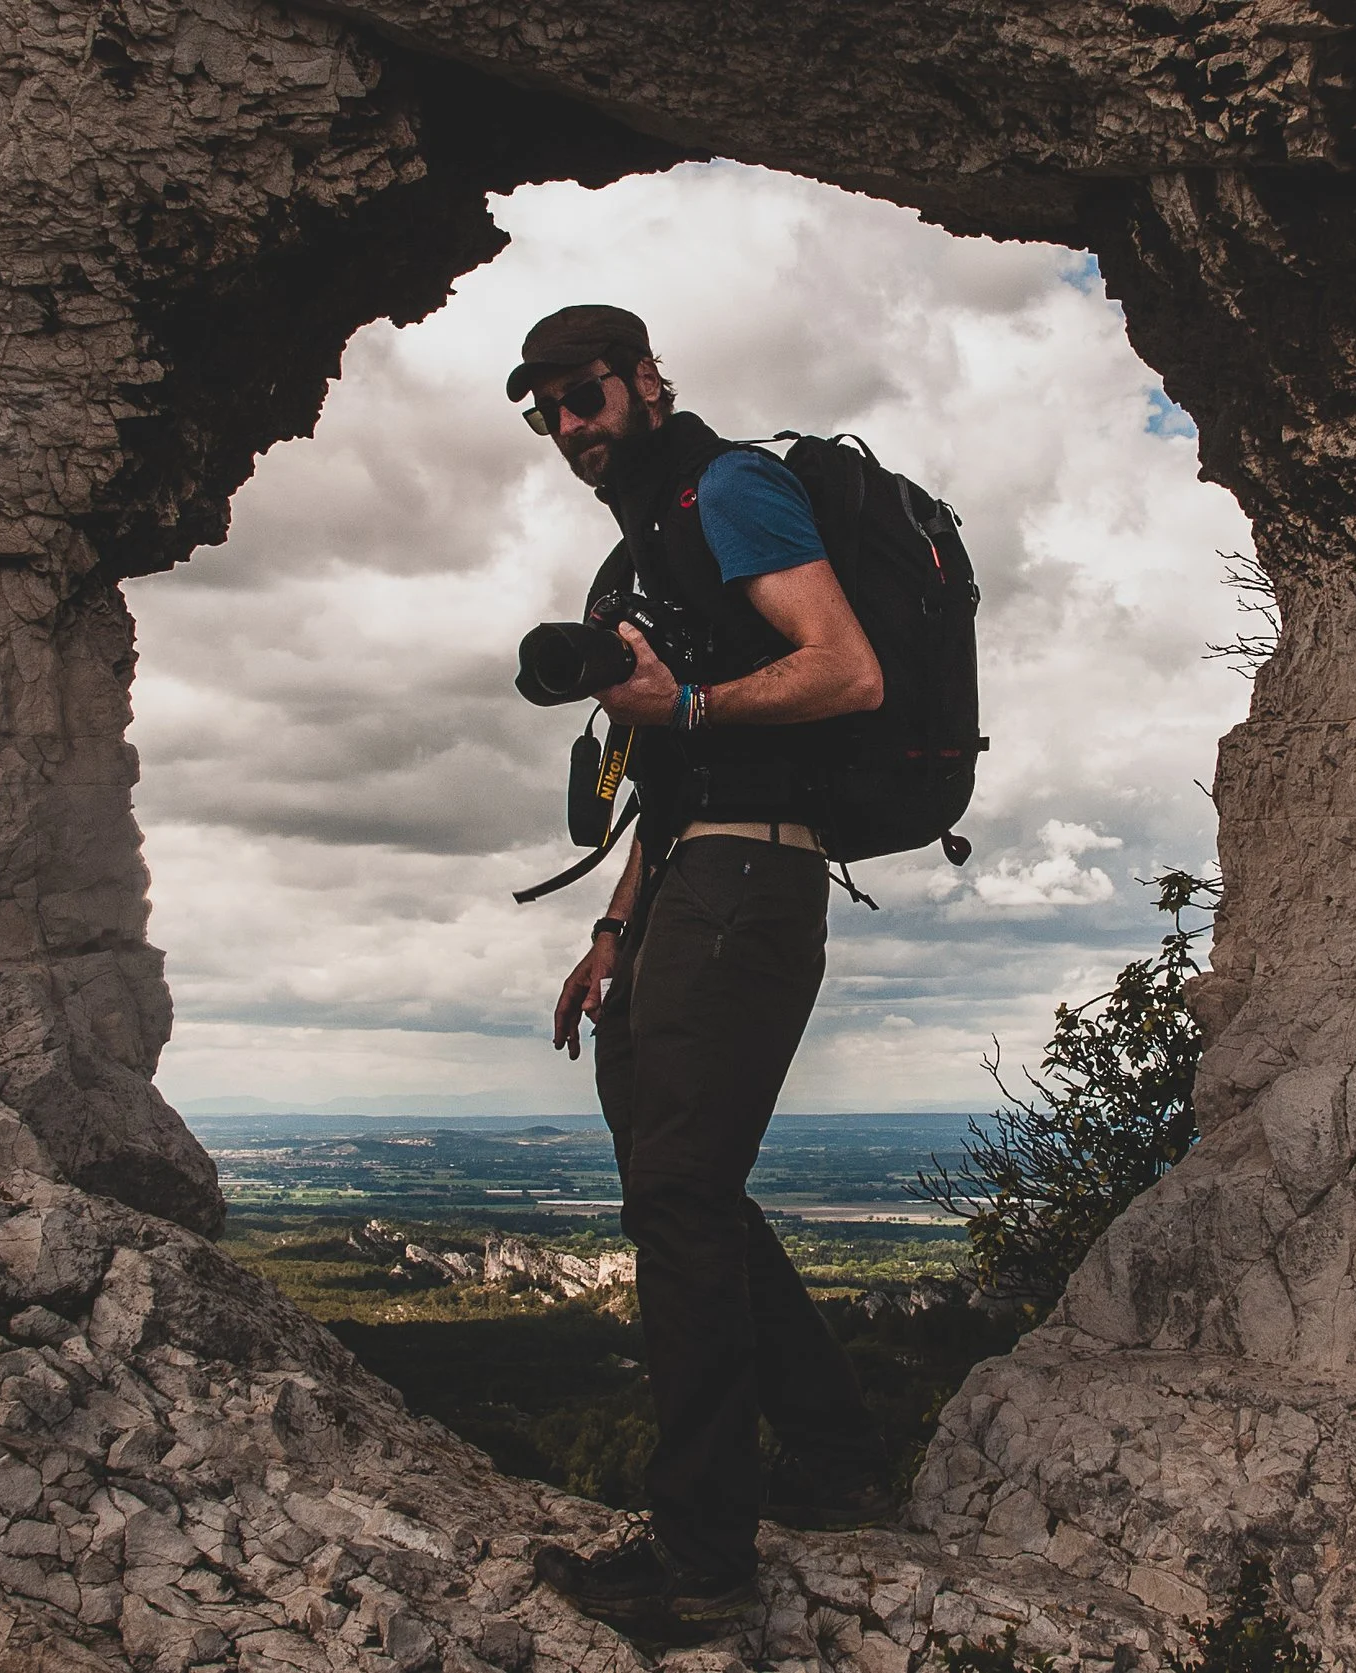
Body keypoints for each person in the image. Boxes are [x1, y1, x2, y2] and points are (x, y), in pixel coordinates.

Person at [511, 305, 895, 1642]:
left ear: (648, 382)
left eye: (587, 395)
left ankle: (704, 1570)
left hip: (751, 876)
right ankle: (839, 1455)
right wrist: (616, 931)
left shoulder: (728, 487)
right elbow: (664, 786)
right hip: (688, 879)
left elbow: (845, 670)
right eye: (549, 408)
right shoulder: (645, 551)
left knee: (675, 1200)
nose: (570, 425)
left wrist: (683, 705)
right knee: (688, 1190)